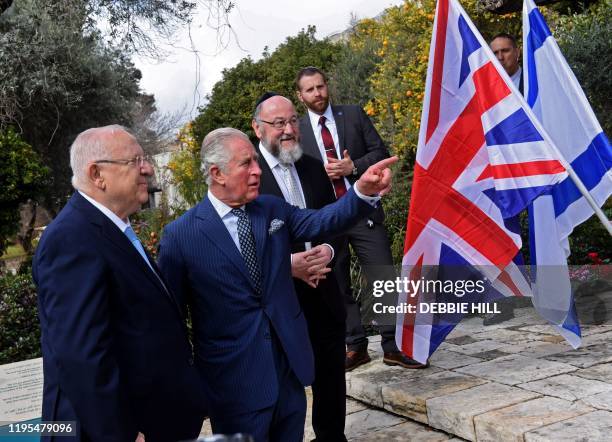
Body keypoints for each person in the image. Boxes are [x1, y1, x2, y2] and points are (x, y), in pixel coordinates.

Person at [157, 127, 397, 442]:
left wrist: (362, 192)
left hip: (287, 376)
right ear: (217, 173)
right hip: (233, 385)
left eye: (256, 161)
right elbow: (170, 321)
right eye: (246, 164)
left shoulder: (271, 209)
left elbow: (322, 221)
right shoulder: (181, 237)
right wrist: (187, 387)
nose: (258, 170)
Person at [32, 125, 206, 442]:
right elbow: (83, 356)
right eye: (135, 161)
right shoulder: (71, 238)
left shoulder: (114, 227)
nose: (148, 168)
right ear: (97, 174)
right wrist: (122, 434)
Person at [296, 66, 427, 370]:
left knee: (382, 277)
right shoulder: (298, 131)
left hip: (363, 210)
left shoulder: (353, 114)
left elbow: (380, 152)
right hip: (327, 219)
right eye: (310, 90)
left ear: (327, 86)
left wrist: (352, 166)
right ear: (300, 95)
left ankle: (394, 345)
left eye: (321, 86)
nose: (318, 93)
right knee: (339, 285)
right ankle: (355, 345)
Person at [253, 92, 348, 441]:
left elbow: (333, 222)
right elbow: (240, 241)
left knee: (330, 376)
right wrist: (286, 265)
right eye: (279, 123)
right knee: (283, 383)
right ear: (258, 128)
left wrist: (326, 250)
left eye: (293, 121)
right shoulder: (248, 176)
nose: (289, 129)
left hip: (322, 289)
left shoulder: (311, 167)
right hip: (279, 298)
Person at [486, 33, 524, 325]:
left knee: (542, 231)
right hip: (502, 174)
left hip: (536, 169)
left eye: (506, 51)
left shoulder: (537, 82)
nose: (500, 58)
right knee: (501, 233)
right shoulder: (486, 91)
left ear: (518, 51)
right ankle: (504, 301)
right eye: (495, 53)